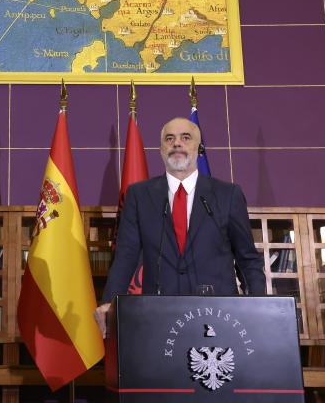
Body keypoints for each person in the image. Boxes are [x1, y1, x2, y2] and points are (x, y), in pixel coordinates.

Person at [95, 117, 264, 334]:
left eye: (186, 137)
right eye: (170, 138)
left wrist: (260, 305)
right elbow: (125, 256)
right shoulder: (139, 195)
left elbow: (247, 258)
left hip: (219, 316)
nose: (177, 143)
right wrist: (110, 301)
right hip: (159, 315)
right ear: (161, 149)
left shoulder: (228, 194)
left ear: (198, 148)